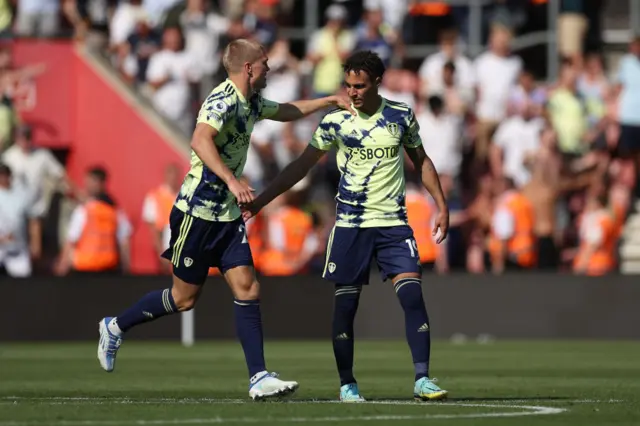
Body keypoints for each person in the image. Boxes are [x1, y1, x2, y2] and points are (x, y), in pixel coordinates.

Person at [96, 38, 353, 401]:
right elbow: (200, 139)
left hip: (227, 216)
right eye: (264, 63)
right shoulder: (223, 99)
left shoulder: (250, 102)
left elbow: (285, 110)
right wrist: (232, 179)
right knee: (184, 299)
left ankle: (258, 376)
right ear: (248, 68)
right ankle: (116, 326)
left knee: (248, 287)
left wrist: (327, 101)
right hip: (196, 213)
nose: (269, 67)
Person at [242, 51, 450, 402]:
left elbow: (422, 161)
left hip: (393, 226)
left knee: (412, 296)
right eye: (349, 85)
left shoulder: (400, 116)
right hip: (351, 227)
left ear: (377, 83)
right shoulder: (336, 122)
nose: (352, 92)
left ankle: (422, 378)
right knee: (345, 309)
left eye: (360, 86)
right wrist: (262, 200)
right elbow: (301, 166)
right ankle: (347, 384)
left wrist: (441, 205)